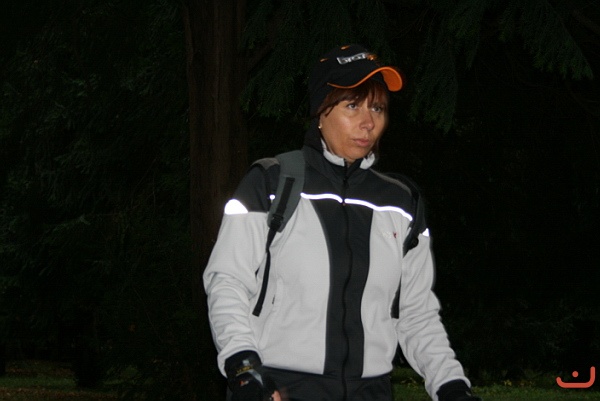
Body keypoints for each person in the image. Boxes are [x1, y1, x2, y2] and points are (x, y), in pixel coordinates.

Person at [203, 44, 481, 401]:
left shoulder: (402, 203)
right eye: (352, 106)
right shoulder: (273, 183)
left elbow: (415, 312)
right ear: (321, 111)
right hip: (280, 388)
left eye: (377, 108)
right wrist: (243, 367)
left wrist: (451, 386)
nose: (369, 122)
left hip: (372, 391)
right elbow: (227, 281)